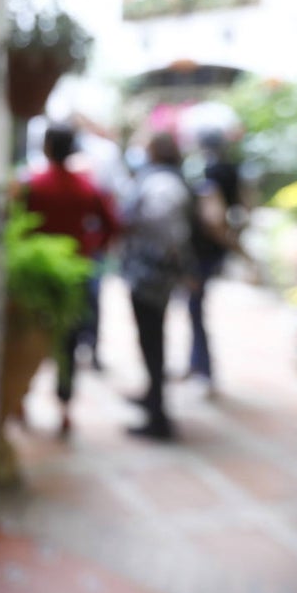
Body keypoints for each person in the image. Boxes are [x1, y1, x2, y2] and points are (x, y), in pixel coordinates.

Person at [23, 121, 120, 437]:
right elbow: (112, 225)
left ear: (46, 147)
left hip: (36, 276)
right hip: (75, 274)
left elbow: (20, 225)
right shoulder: (86, 186)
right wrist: (92, 250)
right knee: (68, 343)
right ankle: (65, 411)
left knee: (31, 337)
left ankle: (21, 401)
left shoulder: (34, 184)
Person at [118, 131, 194, 440]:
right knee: (149, 337)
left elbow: (164, 230)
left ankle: (158, 416)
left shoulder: (162, 184)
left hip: (152, 274)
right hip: (152, 272)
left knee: (152, 339)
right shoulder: (165, 180)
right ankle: (152, 398)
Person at [183, 129, 250, 391]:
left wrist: (227, 240)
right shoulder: (234, 171)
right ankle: (196, 364)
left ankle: (204, 369)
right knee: (195, 307)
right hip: (215, 249)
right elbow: (245, 206)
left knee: (196, 308)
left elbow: (213, 216)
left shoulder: (209, 174)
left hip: (204, 252)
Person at [68, 112, 132, 370]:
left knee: (91, 294)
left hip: (89, 241)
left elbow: (114, 197)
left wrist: (105, 240)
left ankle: (88, 346)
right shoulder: (81, 161)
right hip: (84, 242)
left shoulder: (103, 153)